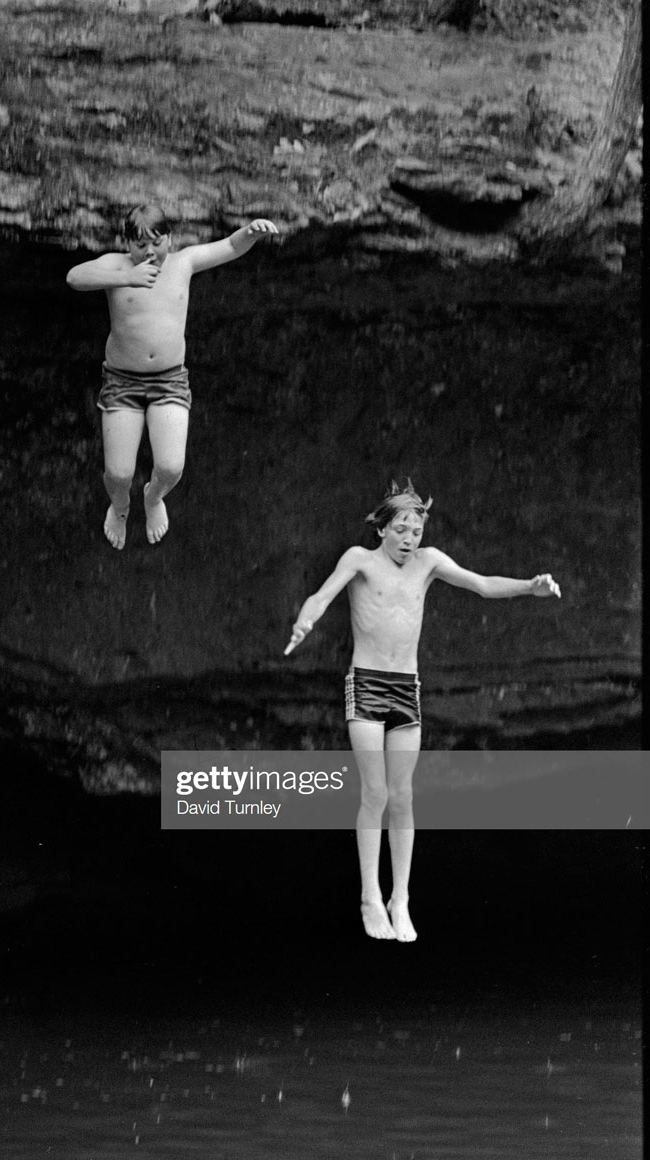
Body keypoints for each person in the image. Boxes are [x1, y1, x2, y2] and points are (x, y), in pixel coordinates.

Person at [284, 481, 561, 943]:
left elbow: (482, 584)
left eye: (416, 529)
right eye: (401, 529)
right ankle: (370, 896)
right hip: (368, 685)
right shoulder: (359, 560)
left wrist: (529, 588)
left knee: (403, 795)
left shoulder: (428, 562)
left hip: (405, 688)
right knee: (374, 793)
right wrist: (305, 619)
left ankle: (401, 898)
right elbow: (322, 595)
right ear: (382, 528)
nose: (410, 538)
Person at [66, 205, 279, 548]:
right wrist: (126, 277)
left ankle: (153, 498)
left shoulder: (183, 262)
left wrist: (250, 231)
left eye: (156, 242)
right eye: (139, 245)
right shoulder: (116, 266)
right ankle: (120, 507)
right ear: (127, 243)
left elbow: (229, 247)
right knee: (118, 474)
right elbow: (74, 278)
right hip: (122, 380)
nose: (149, 253)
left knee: (170, 467)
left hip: (169, 380)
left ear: (170, 238)